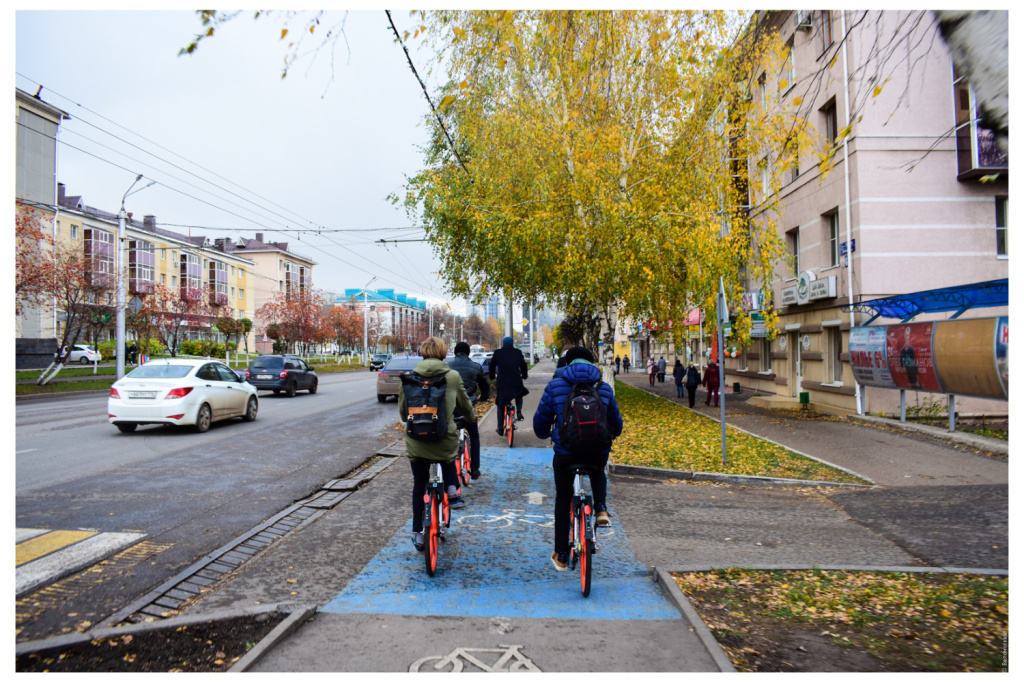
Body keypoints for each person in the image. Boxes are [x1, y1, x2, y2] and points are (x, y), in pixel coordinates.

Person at [533, 346, 623, 571]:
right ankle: (601, 508)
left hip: (566, 453)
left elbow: (541, 423)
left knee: (563, 499)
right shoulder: (603, 387)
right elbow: (616, 423)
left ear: (567, 363)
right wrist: (612, 433)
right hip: (597, 451)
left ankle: (562, 554)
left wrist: (545, 433)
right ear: (592, 363)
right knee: (598, 467)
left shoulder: (555, 386)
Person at [399, 336, 476, 551]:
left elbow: (403, 414)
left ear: (423, 353)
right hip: (443, 438)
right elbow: (465, 404)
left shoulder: (410, 377)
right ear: (444, 354)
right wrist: (471, 419)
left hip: (416, 441)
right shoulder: (452, 376)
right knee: (448, 453)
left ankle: (418, 533)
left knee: (419, 485)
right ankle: (452, 490)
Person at [448, 341, 490, 479]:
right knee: (474, 435)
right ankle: (475, 469)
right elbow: (485, 386)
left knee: (447, 435)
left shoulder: (447, 366)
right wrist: (483, 397)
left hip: (450, 410)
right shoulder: (475, 366)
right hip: (467, 409)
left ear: (455, 352)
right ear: (468, 353)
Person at [489, 336, 529, 433]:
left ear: (503, 343)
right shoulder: (517, 352)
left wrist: (491, 376)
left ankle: (500, 428)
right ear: (512, 344)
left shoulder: (497, 353)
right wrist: (524, 376)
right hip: (516, 379)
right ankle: (519, 412)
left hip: (502, 381)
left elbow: (492, 365)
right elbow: (524, 365)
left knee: (500, 403)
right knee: (519, 393)